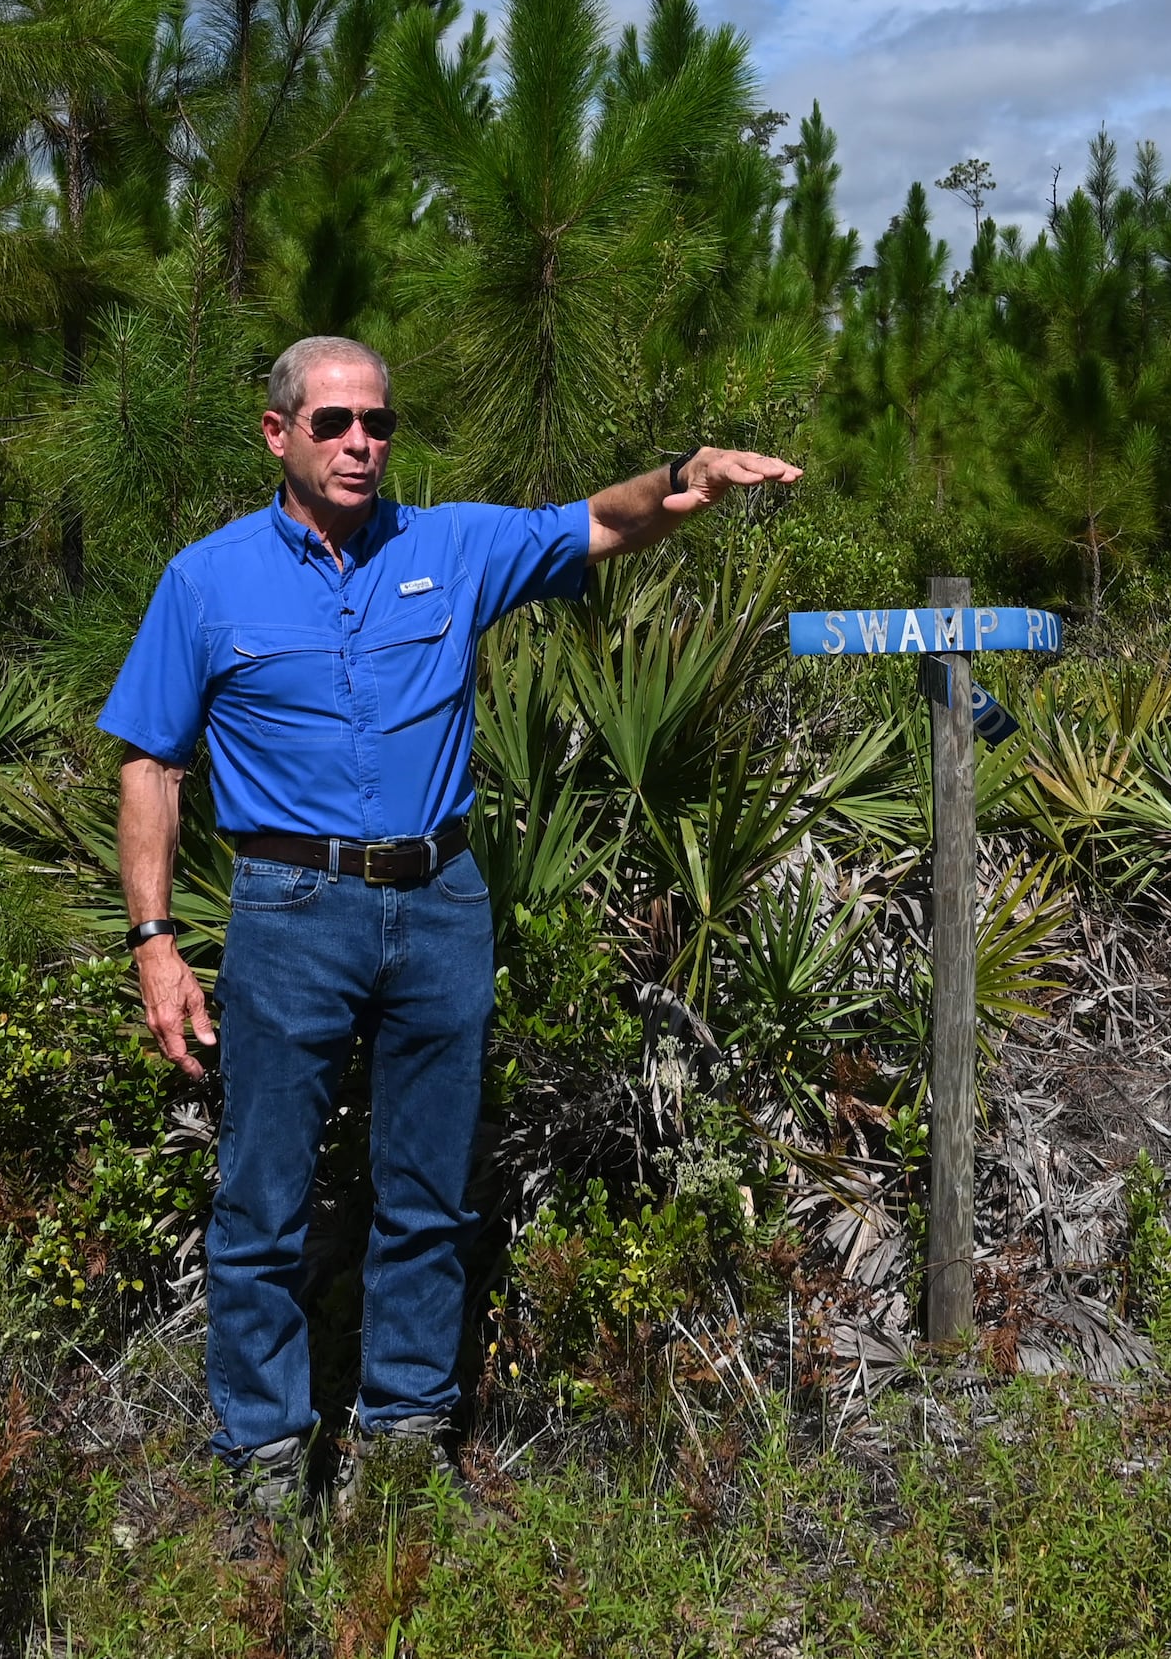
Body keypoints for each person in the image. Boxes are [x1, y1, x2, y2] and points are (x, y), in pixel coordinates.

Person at [98, 335, 799, 1515]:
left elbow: (601, 523)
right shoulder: (206, 580)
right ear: (278, 434)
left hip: (440, 904)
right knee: (262, 1194)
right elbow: (150, 766)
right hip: (290, 909)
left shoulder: (450, 545)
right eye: (333, 423)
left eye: (377, 420)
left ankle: (405, 1439)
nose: (361, 441)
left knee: (427, 1190)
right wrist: (154, 941)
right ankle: (264, 1464)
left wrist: (687, 470)